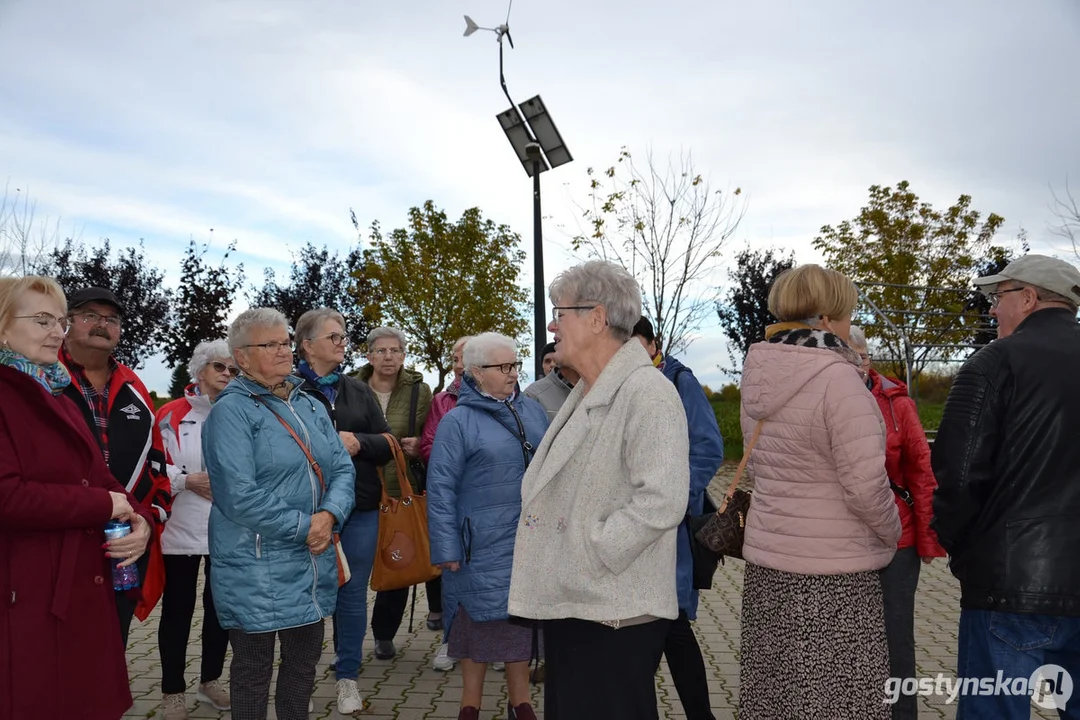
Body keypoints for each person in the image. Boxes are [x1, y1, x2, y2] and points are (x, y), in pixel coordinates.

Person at [508, 260, 690, 720]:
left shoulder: (647, 392)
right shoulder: (588, 390)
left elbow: (663, 497)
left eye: (559, 312)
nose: (551, 324)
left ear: (597, 317)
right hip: (579, 599)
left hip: (614, 608)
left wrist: (595, 549)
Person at [737, 264, 900, 719]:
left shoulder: (759, 376)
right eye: (846, 315)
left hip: (770, 570)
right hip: (834, 576)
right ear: (827, 320)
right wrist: (891, 533)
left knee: (778, 697)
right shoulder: (839, 381)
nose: (850, 326)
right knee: (838, 700)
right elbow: (867, 486)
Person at [932, 255, 1080, 719]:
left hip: (1010, 584)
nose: (992, 310)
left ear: (1030, 298)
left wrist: (962, 546)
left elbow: (957, 475)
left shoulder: (995, 363)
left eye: (998, 298)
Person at [0, 275, 153, 720]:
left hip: (79, 589)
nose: (56, 332)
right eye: (42, 320)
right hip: (24, 591)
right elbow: (8, 497)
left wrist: (140, 520)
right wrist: (104, 507)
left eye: (61, 321)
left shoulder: (56, 393)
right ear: (4, 327)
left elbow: (101, 476)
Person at [203, 308, 356, 720]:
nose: (283, 350)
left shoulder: (308, 404)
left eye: (285, 341)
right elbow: (238, 494)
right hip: (256, 563)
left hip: (311, 558)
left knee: (303, 667)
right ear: (242, 357)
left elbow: (342, 467)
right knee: (253, 672)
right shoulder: (230, 412)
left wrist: (330, 515)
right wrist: (307, 526)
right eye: (269, 344)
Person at [428, 332, 550, 720]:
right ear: (476, 373)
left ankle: (521, 703)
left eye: (515, 364)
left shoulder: (532, 411)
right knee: (476, 628)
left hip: (527, 542)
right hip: (477, 547)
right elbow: (441, 487)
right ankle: (470, 706)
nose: (513, 373)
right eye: (504, 367)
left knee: (520, 625)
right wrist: (446, 547)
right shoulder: (456, 421)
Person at [293, 308, 394, 716]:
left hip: (360, 509)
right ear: (307, 344)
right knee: (305, 595)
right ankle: (298, 681)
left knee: (352, 596)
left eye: (343, 336)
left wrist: (358, 443)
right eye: (333, 337)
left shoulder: (358, 390)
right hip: (305, 512)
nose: (342, 343)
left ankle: (347, 677)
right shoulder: (288, 390)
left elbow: (386, 442)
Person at [58, 286, 171, 645]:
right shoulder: (44, 379)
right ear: (67, 322)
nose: (101, 325)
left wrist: (148, 526)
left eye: (111, 319)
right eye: (89, 316)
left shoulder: (135, 388)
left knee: (110, 652)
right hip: (60, 543)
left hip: (122, 545)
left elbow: (158, 469)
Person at [847, 325, 945, 720]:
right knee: (850, 637)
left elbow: (922, 470)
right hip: (843, 541)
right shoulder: (825, 398)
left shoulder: (897, 403)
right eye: (847, 355)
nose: (856, 363)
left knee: (895, 635)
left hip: (897, 538)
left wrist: (927, 537)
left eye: (862, 356)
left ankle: (903, 714)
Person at [632, 317, 724, 720]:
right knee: (661, 628)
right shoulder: (623, 382)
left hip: (671, 529)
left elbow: (708, 447)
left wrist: (676, 500)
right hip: (636, 526)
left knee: (670, 624)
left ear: (655, 344)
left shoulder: (678, 380)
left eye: (638, 346)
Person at [153, 340, 236, 719]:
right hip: (180, 531)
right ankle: (172, 691)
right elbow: (151, 468)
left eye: (234, 369)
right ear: (200, 371)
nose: (228, 375)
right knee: (177, 612)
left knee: (220, 610)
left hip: (226, 530)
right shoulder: (170, 414)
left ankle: (210, 681)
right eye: (220, 367)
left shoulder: (241, 412)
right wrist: (188, 482)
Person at [354, 326, 437, 660]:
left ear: (404, 355)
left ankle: (384, 634)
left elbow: (427, 433)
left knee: (398, 562)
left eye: (395, 351)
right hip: (358, 490)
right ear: (369, 355)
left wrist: (419, 446)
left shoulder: (421, 390)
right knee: (353, 573)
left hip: (400, 490)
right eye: (381, 351)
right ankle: (349, 643)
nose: (388, 357)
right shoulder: (351, 388)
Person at [420, 334, 473, 673]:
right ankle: (451, 642)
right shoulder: (442, 401)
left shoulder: (508, 397)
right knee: (453, 575)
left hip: (491, 500)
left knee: (494, 575)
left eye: (464, 355)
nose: (458, 362)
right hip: (453, 498)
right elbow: (428, 446)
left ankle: (496, 643)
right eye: (455, 356)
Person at [522, 353, 579, 423]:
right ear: (542, 365)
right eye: (547, 361)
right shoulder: (532, 394)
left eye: (555, 360)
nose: (552, 364)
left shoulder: (590, 387)